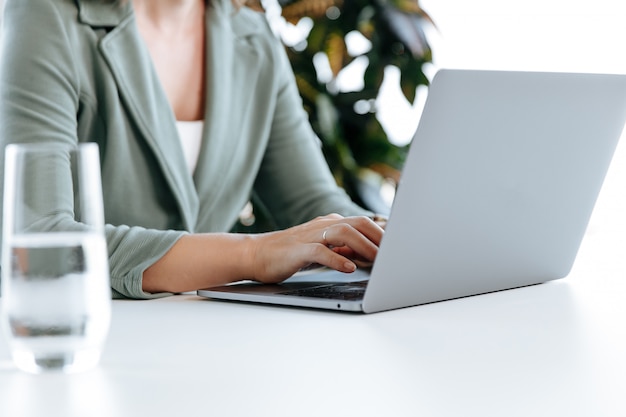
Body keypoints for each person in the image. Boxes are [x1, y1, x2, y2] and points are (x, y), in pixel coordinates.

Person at [0, 0, 384, 299]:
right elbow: (39, 238)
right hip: (93, 343)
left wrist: (393, 239)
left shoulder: (251, 36)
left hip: (208, 347)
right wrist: (252, 255)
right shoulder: (46, 16)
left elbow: (313, 203)